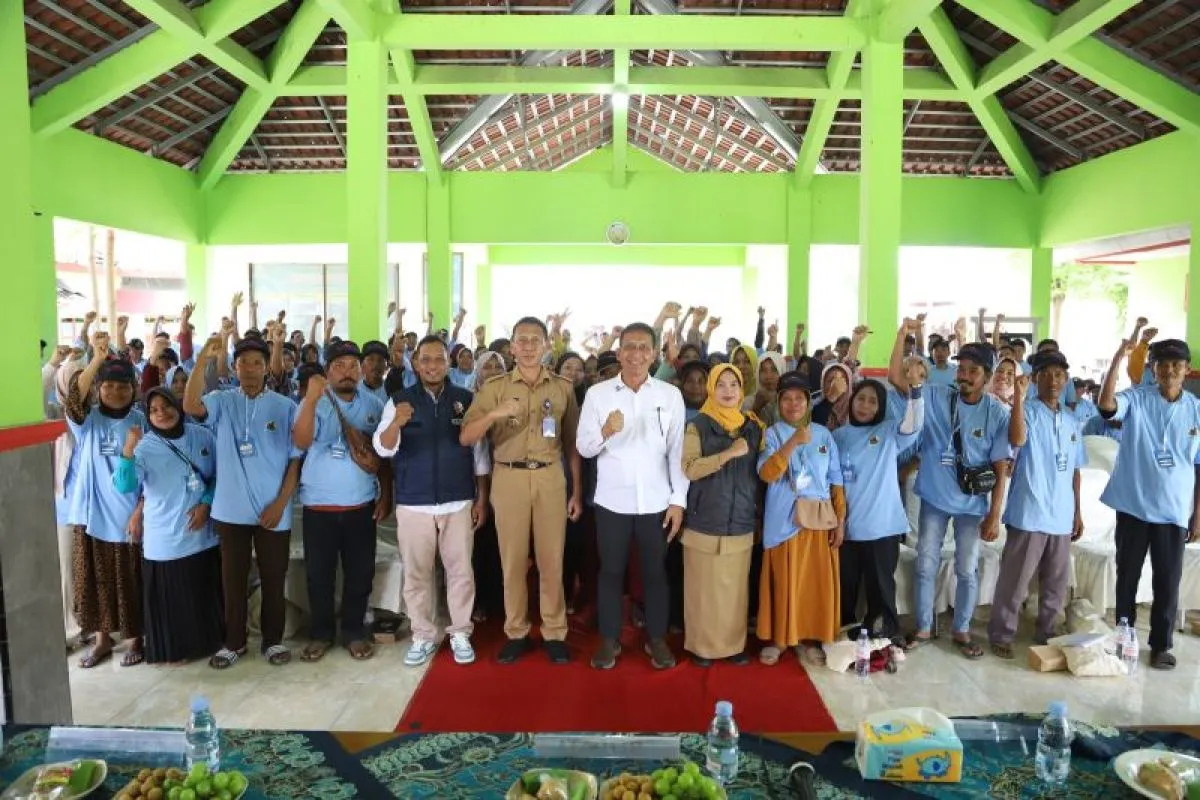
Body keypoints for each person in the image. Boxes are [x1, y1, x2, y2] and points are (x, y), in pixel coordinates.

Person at [460, 317, 583, 664]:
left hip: (550, 477)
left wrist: (576, 491)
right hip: (508, 477)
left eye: (535, 340)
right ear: (512, 347)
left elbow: (572, 443)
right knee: (512, 560)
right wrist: (494, 414)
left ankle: (554, 631)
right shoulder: (494, 387)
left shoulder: (562, 388)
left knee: (551, 559)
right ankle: (516, 631)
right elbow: (466, 436)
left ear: (546, 346)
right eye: (522, 340)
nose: (528, 346)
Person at [183, 335, 302, 669]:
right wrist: (203, 358)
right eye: (243, 363)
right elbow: (190, 406)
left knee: (274, 579)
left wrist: (281, 503)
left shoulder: (285, 406)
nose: (249, 369)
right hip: (230, 509)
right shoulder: (221, 400)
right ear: (234, 368)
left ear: (266, 368)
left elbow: (295, 460)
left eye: (256, 363)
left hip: (273, 511)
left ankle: (273, 641)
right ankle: (233, 642)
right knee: (232, 581)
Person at [577, 323, 689, 670]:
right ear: (619, 351)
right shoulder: (598, 395)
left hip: (657, 501)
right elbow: (583, 447)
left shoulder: (670, 396)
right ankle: (609, 639)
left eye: (643, 347)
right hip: (612, 501)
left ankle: (657, 639)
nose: (636, 354)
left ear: (654, 354)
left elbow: (678, 452)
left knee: (655, 573)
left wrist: (678, 500)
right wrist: (605, 431)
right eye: (629, 347)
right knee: (611, 571)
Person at [374, 335, 491, 666]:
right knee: (417, 573)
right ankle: (423, 635)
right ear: (415, 363)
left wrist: (481, 499)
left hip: (458, 500)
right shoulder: (398, 401)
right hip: (414, 502)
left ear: (448, 363)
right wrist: (396, 423)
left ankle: (460, 632)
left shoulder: (465, 400)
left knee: (461, 571)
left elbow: (480, 455)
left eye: (439, 359)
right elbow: (383, 448)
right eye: (425, 359)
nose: (432, 366)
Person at [1097, 337, 1200, 670]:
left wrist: (1197, 515)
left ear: (1186, 370)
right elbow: (1107, 405)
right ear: (1153, 369)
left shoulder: (1196, 410)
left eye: (1176, 365)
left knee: (1167, 581)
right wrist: (1118, 357)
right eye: (1162, 364)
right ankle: (1124, 639)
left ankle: (1161, 645)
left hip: (1173, 510)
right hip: (1134, 506)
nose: (1169, 370)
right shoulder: (1137, 399)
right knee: (1127, 577)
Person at [906, 342, 1011, 659]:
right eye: (961, 369)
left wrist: (994, 515)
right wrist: (909, 356)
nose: (964, 376)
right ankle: (923, 627)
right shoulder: (938, 396)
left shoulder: (996, 413)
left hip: (971, 505)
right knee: (925, 564)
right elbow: (902, 382)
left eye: (973, 371)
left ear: (987, 376)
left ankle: (961, 629)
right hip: (934, 499)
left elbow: (1001, 468)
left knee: (967, 569)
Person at [293, 340, 388, 663]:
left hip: (361, 505)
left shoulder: (374, 405)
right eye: (338, 366)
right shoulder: (314, 401)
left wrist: (386, 495)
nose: (347, 372)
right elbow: (301, 441)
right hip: (318, 507)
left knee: (360, 574)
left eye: (352, 366)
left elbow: (383, 456)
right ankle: (321, 633)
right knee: (319, 575)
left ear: (360, 371)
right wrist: (310, 400)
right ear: (326, 371)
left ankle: (353, 632)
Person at [113, 389, 223, 664]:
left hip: (202, 536)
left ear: (178, 406)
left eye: (166, 406)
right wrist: (128, 450)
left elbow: (218, 476)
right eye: (153, 410)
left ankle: (207, 644)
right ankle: (175, 651)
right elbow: (124, 485)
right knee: (172, 599)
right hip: (165, 538)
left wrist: (206, 503)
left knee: (201, 593)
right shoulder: (144, 447)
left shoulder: (203, 436)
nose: (161, 413)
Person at [988, 352, 1086, 659]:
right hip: (1029, 510)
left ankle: (1047, 631)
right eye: (1046, 374)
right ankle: (1002, 633)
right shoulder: (1026, 411)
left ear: (1066, 380)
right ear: (1035, 378)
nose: (1053, 380)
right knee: (1015, 581)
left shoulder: (1072, 421)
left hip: (1061, 514)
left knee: (1056, 583)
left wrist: (1077, 511)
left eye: (1059, 375)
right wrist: (1019, 397)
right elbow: (1017, 440)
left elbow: (1075, 469)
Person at [835, 321, 925, 643]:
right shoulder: (838, 436)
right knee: (845, 586)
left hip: (882, 528)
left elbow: (913, 425)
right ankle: (844, 636)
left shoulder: (888, 433)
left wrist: (916, 389)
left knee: (881, 588)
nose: (865, 405)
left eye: (873, 401)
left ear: (881, 407)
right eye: (861, 399)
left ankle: (886, 637)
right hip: (846, 528)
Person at [64, 334, 146, 668]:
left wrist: (141, 510)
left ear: (133, 389)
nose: (115, 392)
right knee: (96, 580)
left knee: (130, 578)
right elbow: (74, 396)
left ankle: (135, 638)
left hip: (128, 514)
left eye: (123, 386)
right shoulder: (89, 419)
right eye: (108, 386)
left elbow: (152, 472)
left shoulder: (141, 420)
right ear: (99, 388)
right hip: (92, 513)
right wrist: (97, 358)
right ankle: (101, 640)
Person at [756, 372, 844, 666]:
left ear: (808, 402)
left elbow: (836, 480)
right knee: (785, 581)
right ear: (779, 402)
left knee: (813, 583)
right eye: (787, 398)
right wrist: (793, 441)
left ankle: (810, 637)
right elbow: (767, 473)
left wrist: (840, 520)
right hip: (785, 520)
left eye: (799, 398)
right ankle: (780, 639)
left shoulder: (824, 434)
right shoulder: (771, 434)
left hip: (818, 520)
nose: (793, 404)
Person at [680, 363, 761, 666]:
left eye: (734, 384)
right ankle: (701, 648)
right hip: (705, 519)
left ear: (742, 390)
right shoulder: (697, 425)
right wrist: (727, 454)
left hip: (740, 519)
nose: (728, 391)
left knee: (735, 591)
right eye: (721, 384)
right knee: (703, 591)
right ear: (711, 389)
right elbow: (690, 468)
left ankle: (733, 646)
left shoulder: (753, 427)